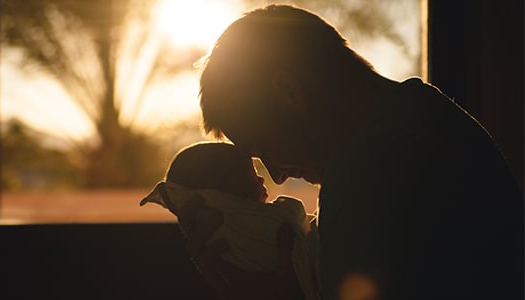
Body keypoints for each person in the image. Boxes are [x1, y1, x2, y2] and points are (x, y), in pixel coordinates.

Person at [180, 4, 523, 300]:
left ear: (288, 93)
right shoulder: (430, 116)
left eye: (263, 147)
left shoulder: (367, 171)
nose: (277, 174)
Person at [140, 142, 320, 299]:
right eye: (251, 176)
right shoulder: (250, 224)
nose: (265, 178)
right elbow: (294, 215)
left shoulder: (213, 237)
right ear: (222, 196)